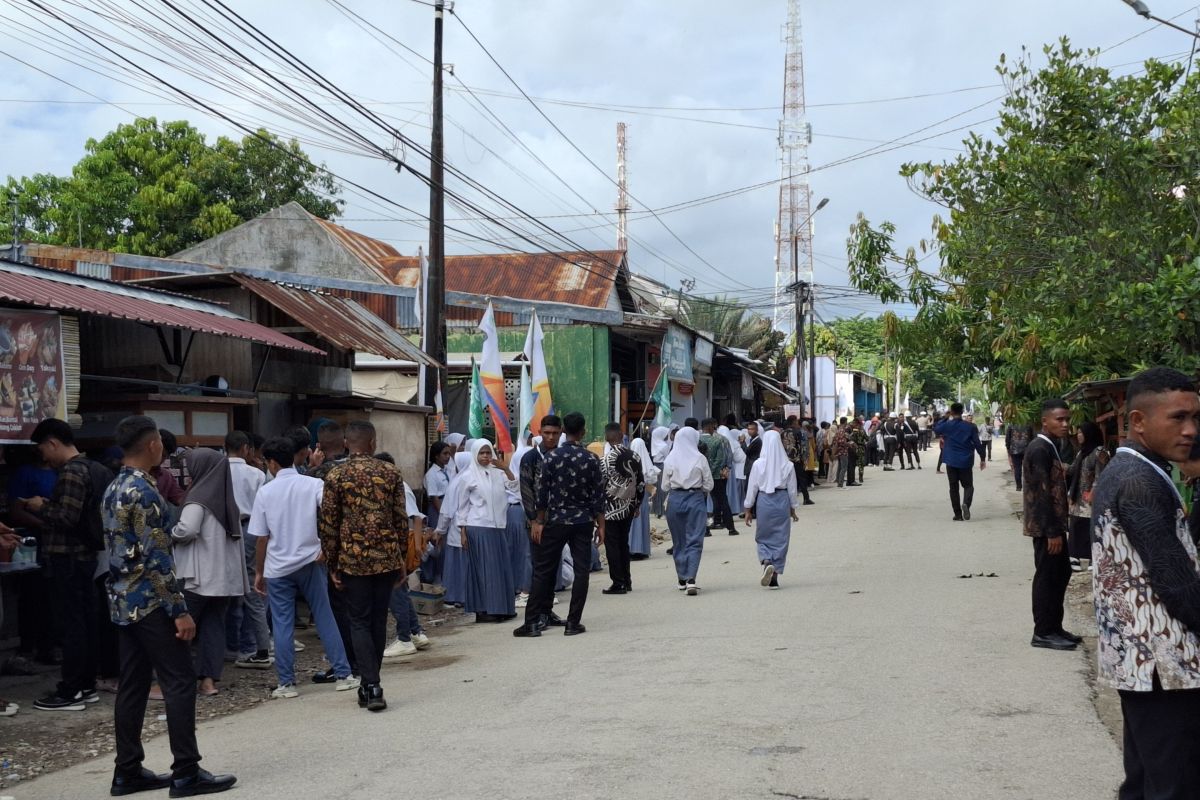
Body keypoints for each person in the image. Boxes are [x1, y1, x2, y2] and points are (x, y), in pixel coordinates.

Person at [103, 415, 235, 798]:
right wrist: (179, 609)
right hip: (152, 603)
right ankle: (186, 771)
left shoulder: (113, 488)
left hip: (123, 601)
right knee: (179, 681)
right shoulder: (144, 492)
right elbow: (157, 556)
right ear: (153, 445)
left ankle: (127, 771)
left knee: (132, 685)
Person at [1090, 367, 1200, 797]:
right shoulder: (1138, 481)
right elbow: (1176, 583)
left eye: (1195, 417)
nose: (1191, 430)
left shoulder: (1137, 470)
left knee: (1146, 780)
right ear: (1138, 421)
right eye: (1177, 418)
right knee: (1174, 785)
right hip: (1163, 666)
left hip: (1141, 663)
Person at [249, 437, 357, 698]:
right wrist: (327, 547)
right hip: (311, 560)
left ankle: (287, 683)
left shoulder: (265, 491)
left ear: (272, 463)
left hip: (277, 567)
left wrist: (259, 571)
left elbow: (261, 538)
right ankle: (343, 674)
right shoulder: (313, 484)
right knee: (324, 616)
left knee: (283, 624)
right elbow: (336, 513)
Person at [318, 420, 408, 712]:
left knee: (358, 620)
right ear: (372, 443)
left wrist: (332, 563)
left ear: (346, 443)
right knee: (379, 620)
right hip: (385, 559)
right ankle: (373, 682)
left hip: (352, 559)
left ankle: (369, 684)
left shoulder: (335, 475)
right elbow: (400, 520)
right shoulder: (390, 472)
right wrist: (402, 560)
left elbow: (329, 523)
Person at [27, 418, 113, 712]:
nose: (42, 455)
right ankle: (86, 685)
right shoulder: (91, 468)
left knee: (71, 625)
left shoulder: (72, 472)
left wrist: (40, 507)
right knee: (86, 622)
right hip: (85, 558)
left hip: (68, 559)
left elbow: (66, 517)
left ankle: (72, 689)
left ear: (52, 443)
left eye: (42, 448)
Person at [514, 412, 603, 637]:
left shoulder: (552, 458)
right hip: (583, 521)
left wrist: (539, 520)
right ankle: (573, 623)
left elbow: (542, 495)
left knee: (543, 570)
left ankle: (532, 622)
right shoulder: (592, 459)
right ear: (582, 431)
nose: (552, 436)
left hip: (555, 521)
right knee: (582, 571)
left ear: (563, 431)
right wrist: (601, 525)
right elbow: (598, 496)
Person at [170, 448, 247, 697]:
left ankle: (174, 680)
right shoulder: (226, 499)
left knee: (182, 626)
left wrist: (169, 533)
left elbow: (187, 530)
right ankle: (208, 682)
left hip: (198, 577)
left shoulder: (198, 498)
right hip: (223, 578)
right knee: (214, 627)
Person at [1022, 397, 1075, 651]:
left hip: (1054, 525)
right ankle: (1043, 631)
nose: (1065, 424)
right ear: (1045, 421)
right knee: (1047, 576)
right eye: (1060, 420)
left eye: (1067, 419)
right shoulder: (1039, 448)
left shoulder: (1051, 446)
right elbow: (1042, 494)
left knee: (1061, 573)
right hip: (1046, 527)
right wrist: (1052, 531)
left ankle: (1055, 626)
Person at [224, 430, 272, 671]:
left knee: (229, 588)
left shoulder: (217, 472)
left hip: (225, 532)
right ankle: (255, 644)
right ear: (245, 449)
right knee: (255, 586)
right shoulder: (256, 474)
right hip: (253, 529)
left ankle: (233, 644)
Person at [456, 439, 518, 623]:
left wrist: (505, 468)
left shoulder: (498, 473)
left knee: (500, 569)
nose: (485, 457)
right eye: (481, 453)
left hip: (498, 526)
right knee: (485, 571)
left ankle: (503, 608)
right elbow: (462, 507)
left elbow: (514, 487)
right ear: (475, 454)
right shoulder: (468, 476)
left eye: (488, 453)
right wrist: (463, 532)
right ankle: (486, 610)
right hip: (478, 527)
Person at [383, 477, 433, 658]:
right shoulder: (395, 484)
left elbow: (415, 516)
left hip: (396, 547)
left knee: (396, 592)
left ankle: (404, 638)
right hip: (397, 545)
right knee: (400, 590)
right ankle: (415, 633)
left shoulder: (396, 485)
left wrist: (418, 545)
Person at [743, 430, 799, 589]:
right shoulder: (788, 465)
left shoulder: (758, 464)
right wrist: (793, 509)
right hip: (781, 500)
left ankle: (766, 559)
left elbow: (752, 487)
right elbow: (792, 490)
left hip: (763, 501)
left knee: (763, 535)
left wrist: (748, 508)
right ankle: (774, 577)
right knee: (781, 538)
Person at [662, 426, 714, 596]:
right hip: (696, 499)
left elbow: (664, 486)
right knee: (695, 539)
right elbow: (709, 484)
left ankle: (682, 577)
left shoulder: (670, 458)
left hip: (675, 500)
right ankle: (691, 578)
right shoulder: (700, 458)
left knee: (679, 540)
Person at [600, 423, 645, 594]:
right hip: (629, 507)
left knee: (612, 545)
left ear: (607, 437)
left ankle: (618, 582)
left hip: (611, 509)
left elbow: (600, 486)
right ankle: (627, 580)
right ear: (621, 434)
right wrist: (637, 504)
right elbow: (640, 483)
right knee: (623, 543)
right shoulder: (635, 456)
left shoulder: (605, 460)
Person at [933, 403, 987, 522]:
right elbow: (978, 444)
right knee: (968, 486)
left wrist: (945, 417)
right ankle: (966, 504)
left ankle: (957, 514)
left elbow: (936, 429)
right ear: (962, 412)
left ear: (951, 412)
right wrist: (983, 458)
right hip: (966, 461)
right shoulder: (970, 426)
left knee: (953, 487)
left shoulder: (947, 425)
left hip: (951, 461)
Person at [1067, 421, 1108, 570]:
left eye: (1081, 432)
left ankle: (1092, 558)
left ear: (1089, 434)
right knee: (1076, 525)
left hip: (1091, 496)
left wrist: (1093, 492)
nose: (1078, 435)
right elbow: (1072, 470)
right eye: (1078, 432)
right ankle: (1075, 557)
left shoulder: (1099, 452)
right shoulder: (1081, 452)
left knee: (1090, 526)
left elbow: (1100, 475)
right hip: (1077, 495)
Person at [420, 441, 452, 586]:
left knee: (446, 546)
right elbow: (434, 498)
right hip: (439, 511)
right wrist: (444, 515)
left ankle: (446, 578)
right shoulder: (431, 474)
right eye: (445, 454)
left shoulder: (448, 470)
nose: (448, 457)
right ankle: (435, 579)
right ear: (436, 456)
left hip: (448, 508)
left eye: (449, 454)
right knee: (438, 545)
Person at [699, 418, 738, 536]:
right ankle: (731, 528)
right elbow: (725, 458)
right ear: (712, 426)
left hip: (700, 476)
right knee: (722, 500)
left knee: (702, 502)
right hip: (718, 476)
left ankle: (705, 529)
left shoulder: (697, 439)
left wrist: (705, 473)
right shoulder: (721, 439)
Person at [628, 433, 659, 560]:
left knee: (632, 522)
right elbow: (651, 477)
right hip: (643, 495)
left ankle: (631, 548)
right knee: (643, 520)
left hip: (630, 495)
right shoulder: (646, 460)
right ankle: (642, 549)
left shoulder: (628, 460)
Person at [650, 426, 672, 518]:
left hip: (655, 466)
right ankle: (663, 512)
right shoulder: (664, 445)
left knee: (656, 489)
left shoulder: (654, 443)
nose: (667, 436)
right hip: (663, 466)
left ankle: (656, 511)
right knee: (664, 489)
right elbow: (668, 457)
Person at [1006, 421, 1034, 491]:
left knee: (1017, 468)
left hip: (1015, 450)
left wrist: (1008, 449)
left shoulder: (1011, 424)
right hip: (1027, 449)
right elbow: (1032, 437)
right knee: (1027, 468)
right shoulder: (1028, 423)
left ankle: (1018, 486)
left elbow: (1008, 438)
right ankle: (1028, 485)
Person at [831, 418, 851, 488]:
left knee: (839, 467)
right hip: (843, 451)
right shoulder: (842, 430)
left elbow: (836, 441)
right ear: (845, 422)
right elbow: (842, 442)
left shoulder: (838, 430)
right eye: (846, 422)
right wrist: (848, 444)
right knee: (844, 467)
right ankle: (840, 483)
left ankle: (838, 481)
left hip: (838, 451)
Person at [849, 418, 868, 486]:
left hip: (854, 448)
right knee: (861, 464)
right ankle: (861, 477)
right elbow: (867, 438)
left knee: (853, 464)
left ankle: (852, 477)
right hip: (861, 448)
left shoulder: (853, 431)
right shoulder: (862, 430)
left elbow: (850, 438)